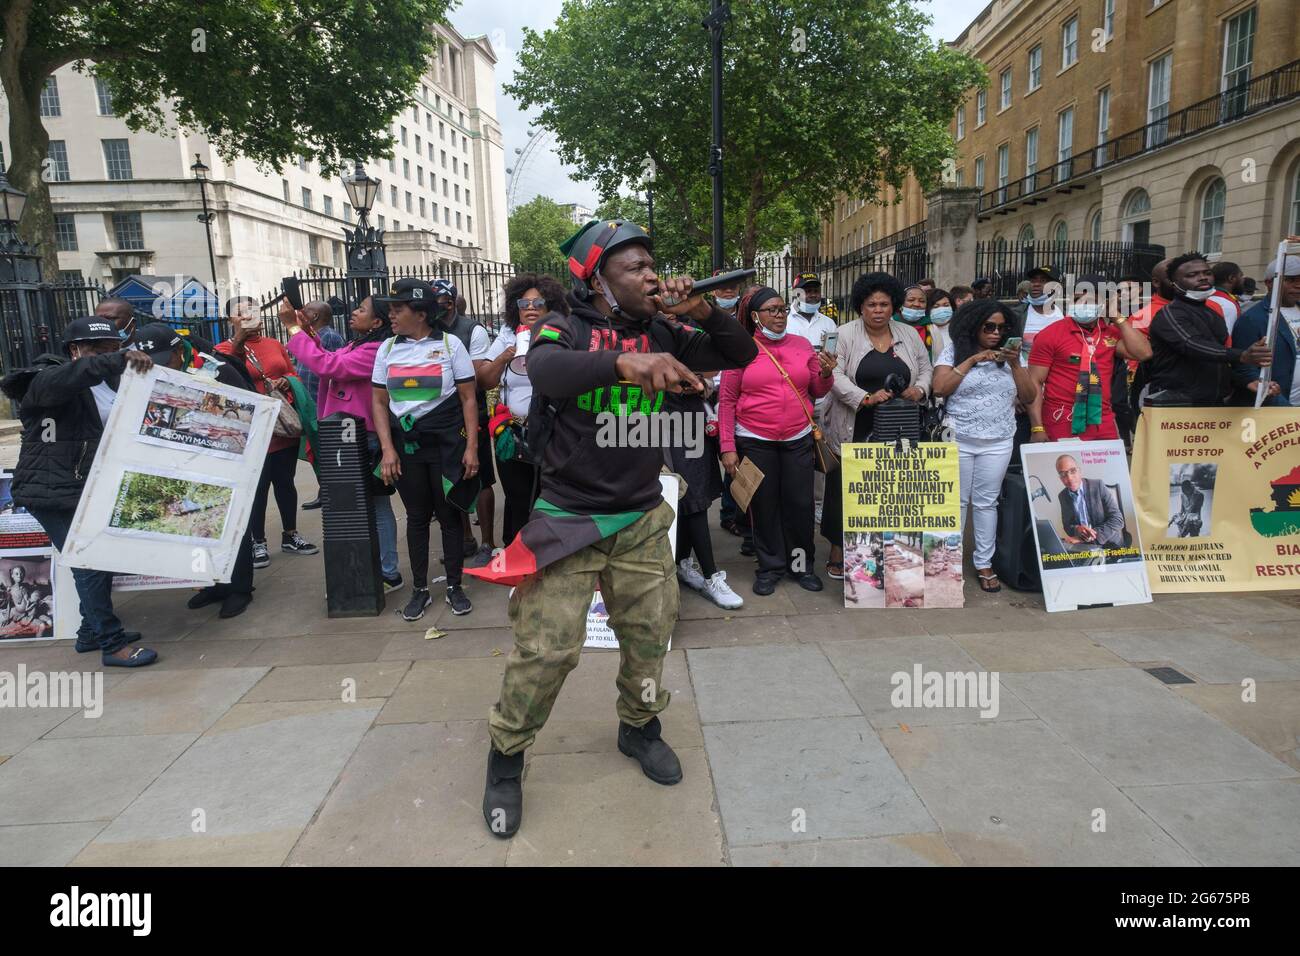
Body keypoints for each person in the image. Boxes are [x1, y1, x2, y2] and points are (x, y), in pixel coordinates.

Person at [473, 218, 757, 839]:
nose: (651, 275)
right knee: (547, 651)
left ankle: (640, 727)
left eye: (653, 264)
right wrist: (625, 362)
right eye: (635, 267)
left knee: (650, 638)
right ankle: (506, 756)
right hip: (567, 518)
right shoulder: (564, 324)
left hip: (642, 516)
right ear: (597, 277)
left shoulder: (664, 328)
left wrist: (705, 311)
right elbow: (547, 371)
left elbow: (741, 354)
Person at [0, 316, 158, 666]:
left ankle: (90, 633)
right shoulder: (46, 380)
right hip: (52, 492)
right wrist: (116, 359)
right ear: (75, 350)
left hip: (86, 487)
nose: (108, 355)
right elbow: (69, 377)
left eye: (114, 348)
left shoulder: (109, 382)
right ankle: (112, 644)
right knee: (89, 563)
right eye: (98, 350)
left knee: (101, 562)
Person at [122, 322, 259, 618]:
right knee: (199, 521)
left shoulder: (217, 368)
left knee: (233, 522)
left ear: (178, 350)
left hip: (225, 457)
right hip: (183, 461)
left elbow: (249, 410)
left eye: (165, 360)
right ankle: (213, 584)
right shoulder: (150, 372)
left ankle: (239, 588)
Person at [371, 279, 480, 620]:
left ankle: (454, 586)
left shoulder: (450, 346)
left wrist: (473, 448)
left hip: (446, 445)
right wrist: (388, 449)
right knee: (417, 517)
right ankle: (420, 590)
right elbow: (378, 401)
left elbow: (468, 399)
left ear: (420, 313)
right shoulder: (386, 349)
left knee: (449, 515)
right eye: (390, 310)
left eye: (397, 309)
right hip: (407, 449)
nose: (391, 315)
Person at [718, 285, 834, 596]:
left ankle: (800, 566)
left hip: (797, 438)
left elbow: (818, 390)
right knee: (763, 506)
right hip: (754, 440)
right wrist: (727, 447)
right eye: (772, 310)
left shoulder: (801, 346)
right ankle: (770, 567)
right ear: (755, 316)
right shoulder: (740, 349)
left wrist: (826, 373)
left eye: (783, 309)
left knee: (800, 505)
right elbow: (727, 401)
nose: (780, 315)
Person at [285, 295, 404, 589]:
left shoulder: (375, 350)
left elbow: (330, 366)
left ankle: (388, 572)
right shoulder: (360, 344)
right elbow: (331, 357)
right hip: (345, 436)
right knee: (358, 508)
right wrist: (305, 330)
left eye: (361, 310)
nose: (353, 312)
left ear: (377, 322)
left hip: (364, 437)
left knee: (376, 506)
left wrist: (292, 330)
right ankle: (368, 568)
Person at [820, 272, 932, 580]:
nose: (878, 310)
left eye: (884, 304)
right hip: (855, 422)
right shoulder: (843, 334)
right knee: (845, 488)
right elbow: (834, 377)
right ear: (860, 306)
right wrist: (865, 397)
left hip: (900, 422)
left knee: (889, 489)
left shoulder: (909, 334)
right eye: (872, 304)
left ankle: (887, 549)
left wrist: (919, 390)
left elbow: (925, 368)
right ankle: (838, 550)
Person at [931, 300, 1036, 593]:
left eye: (1002, 328)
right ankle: (949, 561)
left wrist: (1014, 364)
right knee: (957, 502)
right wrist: (973, 360)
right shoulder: (954, 351)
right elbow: (939, 387)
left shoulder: (1014, 357)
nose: (995, 333)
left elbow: (1028, 396)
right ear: (973, 325)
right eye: (989, 327)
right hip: (959, 437)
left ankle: (984, 562)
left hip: (999, 439)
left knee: (986, 502)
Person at [216, 296, 319, 567]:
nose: (250, 316)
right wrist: (238, 340)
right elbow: (222, 379)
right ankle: (257, 542)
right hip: (249, 431)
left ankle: (290, 534)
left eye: (254, 311)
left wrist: (285, 380)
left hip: (281, 426)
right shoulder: (222, 349)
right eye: (242, 313)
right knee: (257, 488)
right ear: (230, 320)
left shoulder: (274, 344)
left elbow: (294, 372)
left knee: (285, 483)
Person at [477, 273, 568, 545]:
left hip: (554, 432)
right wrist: (505, 355)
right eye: (523, 303)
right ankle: (519, 556)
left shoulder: (564, 332)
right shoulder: (506, 334)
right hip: (513, 433)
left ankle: (550, 554)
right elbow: (483, 380)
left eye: (538, 302)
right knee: (517, 498)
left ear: (550, 305)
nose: (530, 308)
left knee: (550, 496)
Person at [1027, 273, 1152, 441]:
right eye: (1077, 299)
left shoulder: (1111, 334)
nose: (1081, 304)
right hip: (1061, 418)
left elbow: (1144, 353)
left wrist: (1116, 317)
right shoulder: (1050, 334)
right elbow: (1034, 382)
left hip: (1102, 420)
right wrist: (1037, 427)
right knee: (1066, 467)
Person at [1145, 252, 1272, 406]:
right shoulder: (1169, 314)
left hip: (1212, 403)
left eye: (1207, 273)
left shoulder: (1212, 312)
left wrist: (1245, 381)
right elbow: (1192, 344)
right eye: (1192, 275)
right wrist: (1242, 355)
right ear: (1174, 283)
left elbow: (1216, 360)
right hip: (1176, 404)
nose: (1203, 277)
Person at [430, 280, 496, 568]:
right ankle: (466, 539)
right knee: (453, 478)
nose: (435, 304)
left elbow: (476, 377)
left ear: (451, 300)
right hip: (443, 417)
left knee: (480, 478)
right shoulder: (429, 332)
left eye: (439, 298)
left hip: (472, 413)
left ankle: (487, 542)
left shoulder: (473, 330)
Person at [293, 300, 344, 511]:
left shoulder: (329, 336)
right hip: (310, 402)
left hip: (322, 403)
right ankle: (326, 492)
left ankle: (332, 493)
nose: (302, 313)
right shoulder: (309, 335)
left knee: (327, 453)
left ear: (315, 317)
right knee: (317, 452)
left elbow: (334, 367)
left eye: (307, 311)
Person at [1231, 254, 1300, 406]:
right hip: (1280, 413)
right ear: (1269, 283)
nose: (1298, 285)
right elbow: (1244, 369)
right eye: (1290, 280)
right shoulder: (1252, 319)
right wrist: (1283, 408)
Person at [1055, 453, 1124, 548]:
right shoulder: (1063, 496)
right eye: (1063, 474)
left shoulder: (1098, 486)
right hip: (1084, 546)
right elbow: (1067, 526)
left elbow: (1117, 519)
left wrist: (1090, 537)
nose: (1069, 478)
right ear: (1060, 478)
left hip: (1109, 544)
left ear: (1080, 471)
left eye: (1073, 471)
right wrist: (1077, 529)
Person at [1208, 260, 1244, 334]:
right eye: (1241, 276)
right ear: (1231, 278)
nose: (1243, 280)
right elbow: (1225, 340)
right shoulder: (1227, 305)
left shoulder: (1208, 296)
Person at [896, 283, 933, 351]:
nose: (917, 304)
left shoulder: (932, 328)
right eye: (911, 300)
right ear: (901, 303)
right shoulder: (890, 324)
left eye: (922, 301)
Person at [925, 287, 955, 362]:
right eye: (936, 306)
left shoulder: (960, 329)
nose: (942, 309)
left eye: (946, 305)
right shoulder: (922, 330)